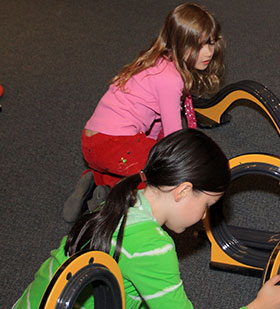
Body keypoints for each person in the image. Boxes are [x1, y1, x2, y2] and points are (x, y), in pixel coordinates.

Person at [1, 129, 280, 309]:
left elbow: (136, 300)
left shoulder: (120, 205)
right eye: (207, 205)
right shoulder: (152, 246)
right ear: (183, 191)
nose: (205, 216)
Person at [63, 2, 225, 223]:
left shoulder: (157, 62)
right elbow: (173, 137)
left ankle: (96, 179)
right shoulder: (170, 80)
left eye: (211, 42)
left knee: (142, 155)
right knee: (157, 179)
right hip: (115, 144)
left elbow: (156, 123)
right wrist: (190, 166)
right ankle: (112, 201)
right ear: (178, 44)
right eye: (199, 46)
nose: (208, 52)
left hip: (92, 142)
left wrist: (150, 148)